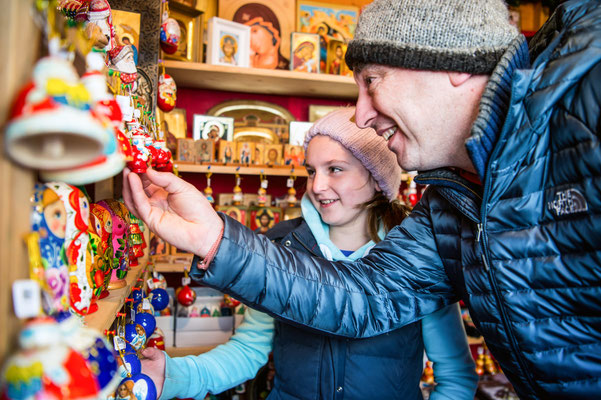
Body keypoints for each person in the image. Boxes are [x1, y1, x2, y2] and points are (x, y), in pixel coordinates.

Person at [123, 1, 601, 398]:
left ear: (451, 62)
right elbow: (361, 297)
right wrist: (214, 237)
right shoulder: (450, 206)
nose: (362, 114)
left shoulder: (587, 103)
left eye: (372, 80)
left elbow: (455, 375)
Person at [139, 108, 478, 400]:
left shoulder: (419, 260)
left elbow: (455, 377)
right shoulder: (281, 247)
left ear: (377, 178)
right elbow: (248, 350)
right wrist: (172, 375)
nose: (317, 186)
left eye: (336, 169)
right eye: (312, 171)